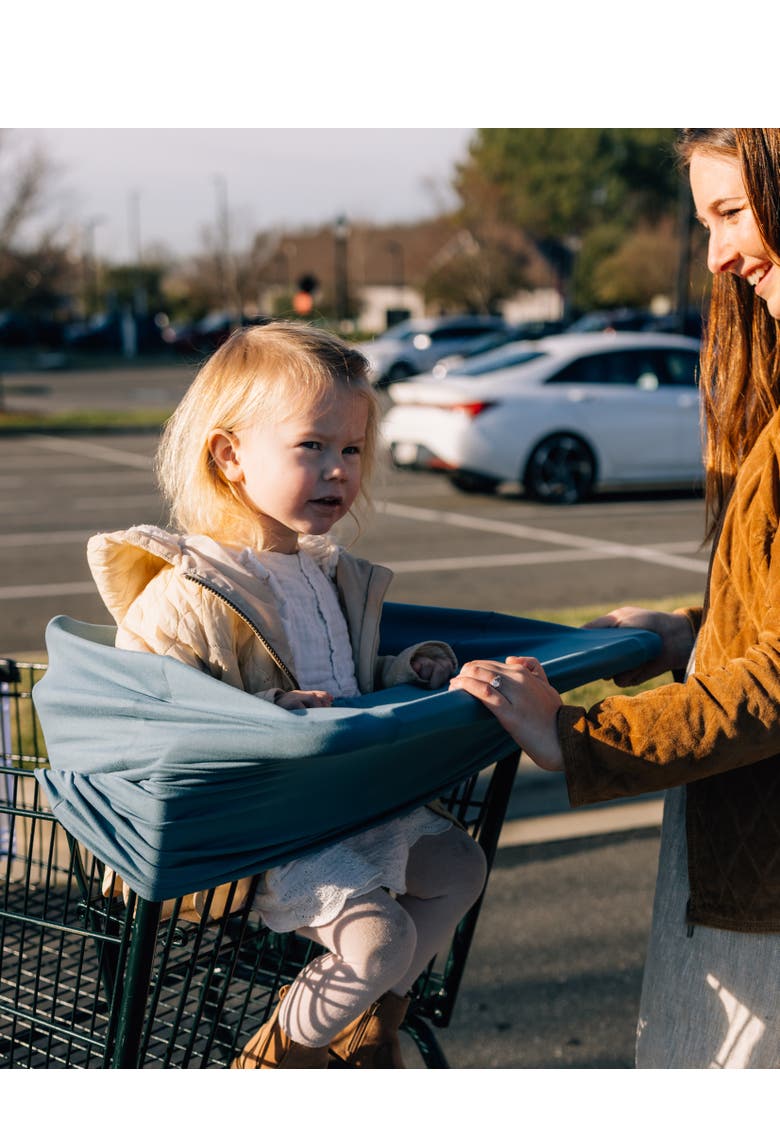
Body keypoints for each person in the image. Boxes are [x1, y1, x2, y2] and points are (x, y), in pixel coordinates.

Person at [450, 128, 780, 1069]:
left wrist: (579, 737)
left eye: (732, 212)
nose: (717, 256)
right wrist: (691, 632)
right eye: (706, 222)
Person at [87, 321, 486, 1069]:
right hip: (268, 830)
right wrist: (264, 717)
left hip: (344, 801)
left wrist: (406, 672)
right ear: (230, 456)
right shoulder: (188, 592)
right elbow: (152, 717)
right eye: (312, 446)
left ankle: (365, 1028)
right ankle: (277, 1063)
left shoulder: (324, 572)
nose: (339, 470)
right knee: (381, 940)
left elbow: (342, 680)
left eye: (353, 450)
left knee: (461, 868)